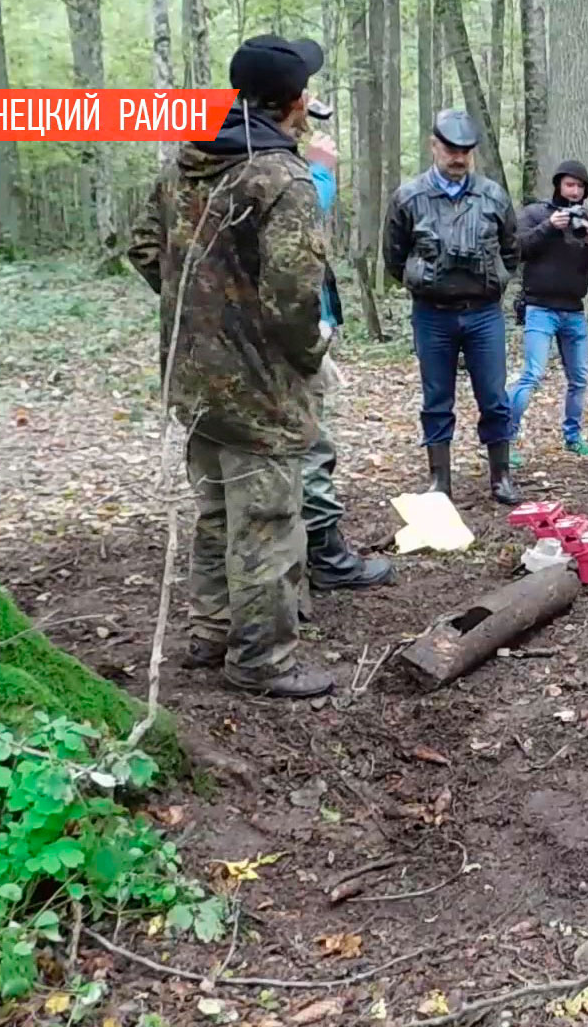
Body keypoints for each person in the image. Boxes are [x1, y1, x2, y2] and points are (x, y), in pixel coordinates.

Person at [126, 34, 337, 698]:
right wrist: (310, 353)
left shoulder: (183, 162)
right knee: (267, 521)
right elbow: (293, 295)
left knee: (215, 510)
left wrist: (202, 316)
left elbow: (140, 249)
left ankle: (211, 628)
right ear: (294, 101)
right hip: (259, 389)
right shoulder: (283, 178)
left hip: (190, 380)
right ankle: (262, 659)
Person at [383, 108, 522, 505]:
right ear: (434, 146)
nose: (458, 157)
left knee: (495, 396)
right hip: (432, 314)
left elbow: (511, 249)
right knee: (436, 398)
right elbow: (393, 256)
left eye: (465, 150)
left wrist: (495, 280)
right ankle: (439, 481)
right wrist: (425, 283)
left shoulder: (493, 195)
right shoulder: (409, 197)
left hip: (483, 313)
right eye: (450, 148)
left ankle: (501, 477)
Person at [299, 129, 395, 591]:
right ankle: (324, 556)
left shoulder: (206, 160)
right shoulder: (264, 167)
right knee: (308, 445)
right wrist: (319, 171)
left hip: (242, 342)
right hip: (285, 342)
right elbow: (295, 219)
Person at [508, 160, 588, 462]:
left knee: (579, 379)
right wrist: (549, 227)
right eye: (570, 184)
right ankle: (505, 438)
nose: (575, 191)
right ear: (558, 185)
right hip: (540, 308)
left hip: (574, 312)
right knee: (532, 374)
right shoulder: (535, 214)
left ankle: (573, 436)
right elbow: (516, 249)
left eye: (580, 186)